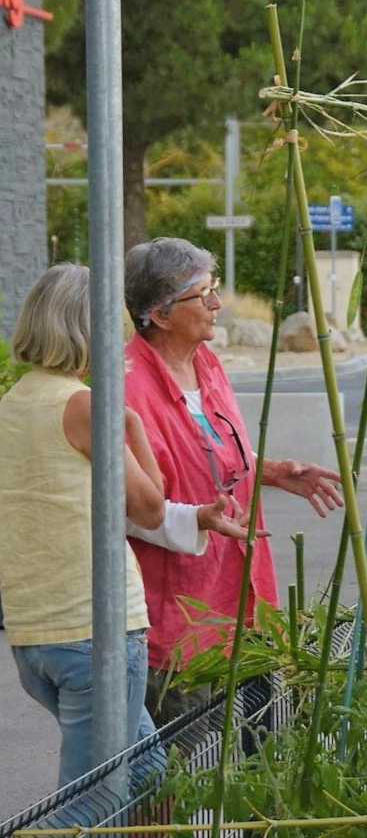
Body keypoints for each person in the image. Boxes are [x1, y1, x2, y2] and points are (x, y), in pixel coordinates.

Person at [0, 265, 247, 787]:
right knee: (91, 798)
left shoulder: (12, 405)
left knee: (150, 777)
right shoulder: (87, 408)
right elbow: (150, 508)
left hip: (34, 631)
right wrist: (131, 425)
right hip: (95, 631)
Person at [123, 237, 343, 724]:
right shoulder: (128, 388)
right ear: (159, 315)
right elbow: (126, 510)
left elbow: (210, 453)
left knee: (254, 746)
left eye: (215, 289)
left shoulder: (206, 365)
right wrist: (200, 519)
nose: (217, 304)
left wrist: (272, 471)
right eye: (203, 295)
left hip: (243, 596)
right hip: (182, 618)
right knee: (187, 768)